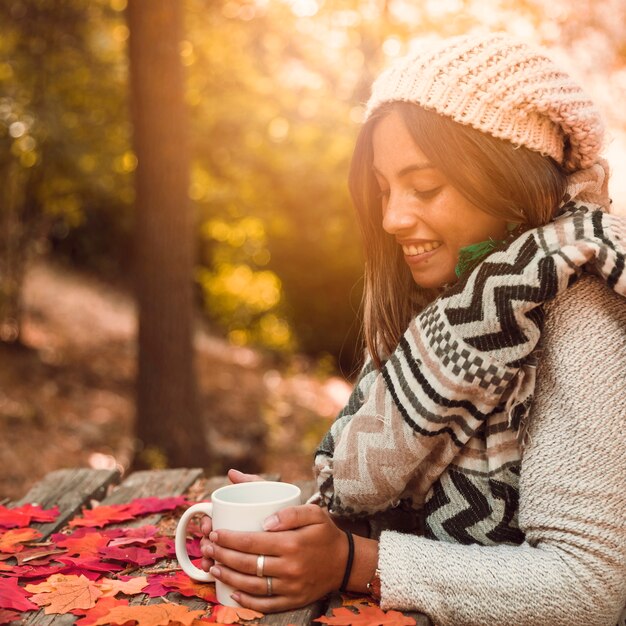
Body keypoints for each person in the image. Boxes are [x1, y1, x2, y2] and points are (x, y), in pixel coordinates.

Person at [199, 32, 626, 625]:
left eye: (424, 187)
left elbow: (590, 586)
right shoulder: (453, 304)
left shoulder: (582, 308)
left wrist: (356, 562)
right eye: (383, 189)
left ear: (512, 181)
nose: (393, 217)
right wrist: (313, 523)